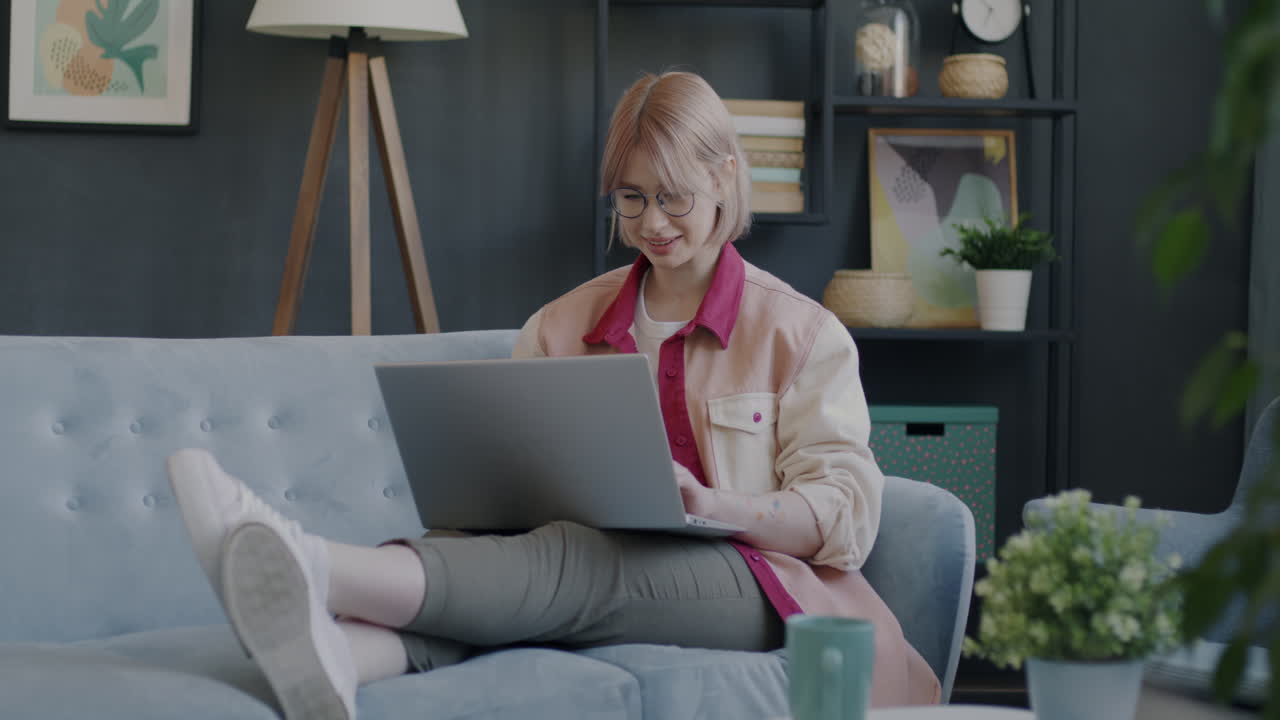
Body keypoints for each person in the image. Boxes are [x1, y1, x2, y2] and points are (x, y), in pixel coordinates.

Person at [168, 70, 940, 720]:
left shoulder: (801, 333)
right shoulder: (562, 323)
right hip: (592, 560)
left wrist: (712, 505)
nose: (651, 224)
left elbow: (845, 513)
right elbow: (508, 492)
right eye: (631, 199)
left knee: (581, 559)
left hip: (759, 586)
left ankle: (313, 565)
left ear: (724, 177)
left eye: (672, 197)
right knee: (490, 553)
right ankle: (341, 655)